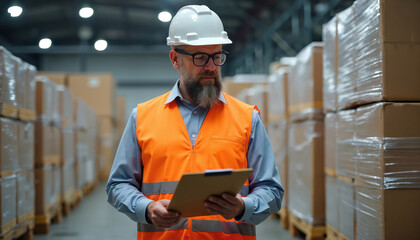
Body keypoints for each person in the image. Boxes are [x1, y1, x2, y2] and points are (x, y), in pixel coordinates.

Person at [106, 5, 284, 240]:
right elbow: (118, 185)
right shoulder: (142, 117)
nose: (211, 66)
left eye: (217, 56)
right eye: (200, 57)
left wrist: (243, 207)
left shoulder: (247, 118)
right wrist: (146, 209)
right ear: (175, 59)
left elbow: (272, 190)